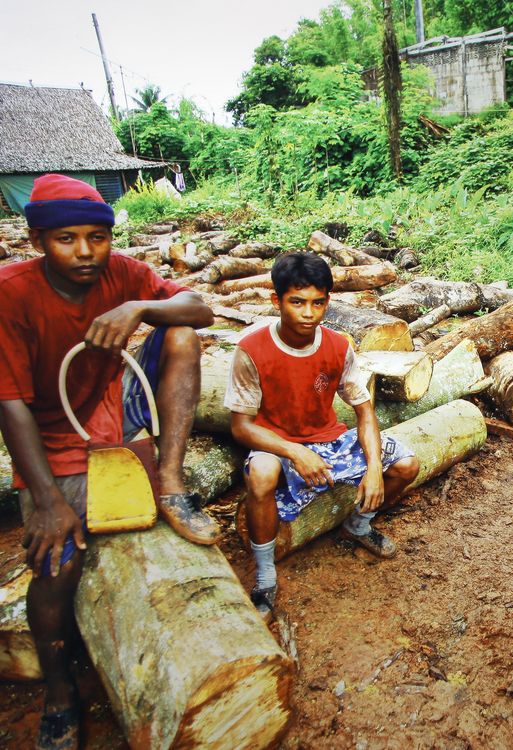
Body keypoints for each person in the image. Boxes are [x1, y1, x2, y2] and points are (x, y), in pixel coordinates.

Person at [0, 173, 218, 749]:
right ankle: (59, 691)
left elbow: (200, 310)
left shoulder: (122, 273)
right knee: (56, 560)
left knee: (181, 334)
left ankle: (170, 481)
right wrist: (48, 501)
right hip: (51, 434)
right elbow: (10, 404)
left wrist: (140, 306)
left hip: (112, 402)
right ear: (36, 240)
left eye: (96, 237)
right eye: (66, 239)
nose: (85, 252)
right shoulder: (11, 293)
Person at [226, 252, 420, 620]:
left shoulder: (337, 346)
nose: (308, 313)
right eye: (297, 302)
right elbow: (241, 427)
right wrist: (295, 452)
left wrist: (374, 468)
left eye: (318, 303)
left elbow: (364, 410)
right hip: (275, 443)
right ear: (277, 301)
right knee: (261, 474)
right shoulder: (251, 350)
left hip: (329, 440)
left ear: (328, 302)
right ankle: (265, 574)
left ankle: (358, 525)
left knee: (406, 464)